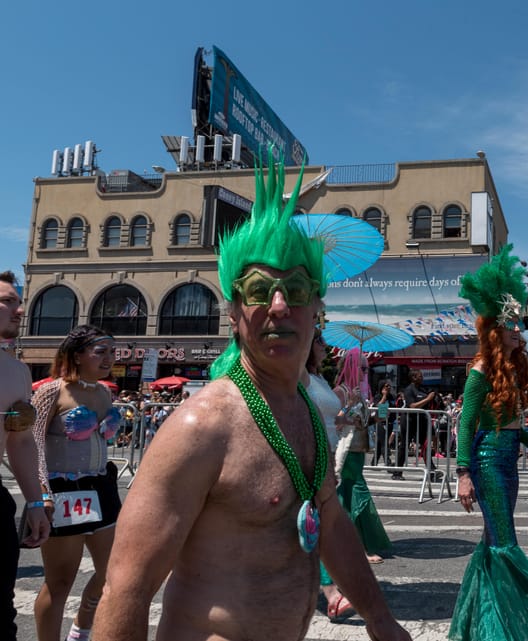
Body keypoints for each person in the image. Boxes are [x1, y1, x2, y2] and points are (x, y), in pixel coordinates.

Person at [91, 156, 410, 641]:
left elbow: (330, 519)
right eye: (260, 289)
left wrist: (382, 620)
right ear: (234, 311)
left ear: (316, 308)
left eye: (296, 287)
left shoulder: (303, 407)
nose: (279, 305)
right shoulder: (203, 427)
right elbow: (126, 590)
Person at [450, 244, 528, 641]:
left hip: (508, 460)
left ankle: (484, 624)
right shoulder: (479, 371)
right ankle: (522, 624)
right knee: (505, 541)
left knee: (492, 541)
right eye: (512, 324)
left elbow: (507, 423)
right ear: (495, 331)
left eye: (518, 323)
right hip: (487, 461)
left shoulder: (508, 370)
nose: (519, 330)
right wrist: (463, 473)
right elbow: (467, 424)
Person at [31, 324, 122, 641]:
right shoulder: (51, 391)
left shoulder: (104, 392)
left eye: (112, 352)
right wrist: (42, 494)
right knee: (60, 582)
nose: (109, 358)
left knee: (114, 570)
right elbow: (34, 445)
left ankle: (81, 629)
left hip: (102, 487)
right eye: (101, 352)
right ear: (78, 355)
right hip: (64, 491)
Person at [0, 270, 50, 640]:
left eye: (18, 301)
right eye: (7, 301)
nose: (19, 309)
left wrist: (35, 502)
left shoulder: (17, 372)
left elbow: (19, 441)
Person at [302, 328, 355, 623]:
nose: (325, 345)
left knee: (318, 524)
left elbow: (328, 416)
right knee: (323, 525)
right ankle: (331, 593)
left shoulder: (319, 377)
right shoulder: (301, 375)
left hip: (328, 457)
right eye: (319, 340)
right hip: (310, 457)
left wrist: (345, 417)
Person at [333, 347, 391, 565]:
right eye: (362, 368)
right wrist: (349, 406)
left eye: (367, 369)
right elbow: (336, 421)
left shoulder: (359, 393)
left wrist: (380, 411)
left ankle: (346, 545)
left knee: (346, 501)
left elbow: (364, 423)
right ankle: (360, 547)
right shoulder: (341, 391)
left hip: (358, 452)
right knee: (359, 498)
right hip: (345, 452)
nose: (366, 372)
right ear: (350, 366)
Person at [397, 369, 437, 480]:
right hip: (409, 421)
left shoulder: (423, 389)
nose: (422, 378)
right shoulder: (409, 390)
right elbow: (412, 406)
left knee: (424, 446)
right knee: (404, 446)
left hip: (420, 421)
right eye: (419, 376)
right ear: (413, 378)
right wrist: (428, 399)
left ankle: (432, 470)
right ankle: (397, 472)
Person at [372, 380, 395, 467]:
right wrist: (384, 396)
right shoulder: (378, 396)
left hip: (389, 423)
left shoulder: (392, 397)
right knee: (384, 442)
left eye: (389, 386)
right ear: (382, 388)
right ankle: (388, 462)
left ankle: (374, 462)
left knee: (380, 443)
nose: (389, 387)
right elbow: (376, 406)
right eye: (386, 386)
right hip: (380, 422)